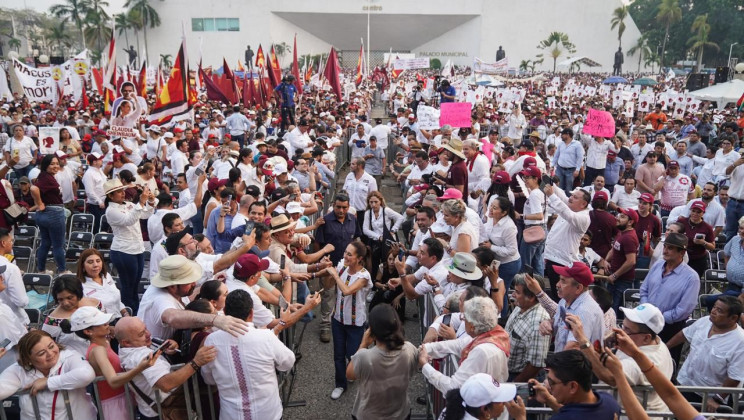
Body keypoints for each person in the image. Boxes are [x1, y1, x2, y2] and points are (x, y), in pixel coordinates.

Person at [201, 289, 296, 420]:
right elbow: (288, 362)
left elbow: (208, 378)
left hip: (231, 415)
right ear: (251, 313)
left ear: (224, 312)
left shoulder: (212, 340)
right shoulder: (266, 337)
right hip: (268, 414)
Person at [567, 303, 674, 415]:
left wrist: (582, 339)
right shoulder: (654, 340)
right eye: (622, 326)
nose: (621, 332)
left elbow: (609, 376)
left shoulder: (646, 361)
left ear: (646, 338)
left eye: (627, 329)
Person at [116, 316, 216, 420]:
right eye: (141, 334)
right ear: (126, 342)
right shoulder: (140, 355)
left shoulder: (126, 347)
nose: (148, 334)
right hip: (162, 413)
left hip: (153, 411)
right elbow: (166, 383)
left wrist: (166, 348)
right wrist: (196, 362)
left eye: (145, 328)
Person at [71, 306, 159, 420]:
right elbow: (113, 381)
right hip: (113, 405)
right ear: (88, 331)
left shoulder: (105, 343)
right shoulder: (98, 350)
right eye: (101, 323)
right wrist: (140, 368)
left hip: (123, 398)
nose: (106, 323)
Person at [138, 254, 250, 341]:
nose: (195, 283)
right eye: (189, 281)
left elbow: (187, 295)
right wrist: (215, 319)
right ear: (172, 286)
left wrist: (211, 285)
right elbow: (172, 317)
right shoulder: (160, 299)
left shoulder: (175, 290)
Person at [666, 296, 744, 411]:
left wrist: (717, 399)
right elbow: (684, 334)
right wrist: (665, 348)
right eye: (714, 307)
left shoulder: (740, 341)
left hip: (709, 398)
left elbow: (735, 376)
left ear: (733, 318)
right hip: (685, 384)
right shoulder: (704, 321)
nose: (713, 311)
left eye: (719, 311)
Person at [0, 330, 97, 420]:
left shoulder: (69, 356)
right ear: (29, 360)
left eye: (51, 346)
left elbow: (86, 375)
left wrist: (48, 382)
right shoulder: (19, 369)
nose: (50, 354)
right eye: (41, 353)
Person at [419, 296, 509, 393]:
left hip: (478, 404)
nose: (462, 320)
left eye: (464, 318)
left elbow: (453, 387)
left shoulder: (480, 352)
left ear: (471, 326)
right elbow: (457, 344)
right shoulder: (495, 334)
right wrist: (425, 348)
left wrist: (425, 366)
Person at [346, 304, 418, 420]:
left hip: (369, 415)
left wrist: (363, 344)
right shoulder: (409, 349)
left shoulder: (365, 356)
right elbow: (417, 363)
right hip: (400, 413)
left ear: (371, 330)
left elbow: (350, 374)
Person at [640, 232, 700, 364]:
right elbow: (644, 290)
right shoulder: (657, 265)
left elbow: (684, 310)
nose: (665, 250)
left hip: (670, 328)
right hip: (646, 321)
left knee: (665, 364)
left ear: (682, 252)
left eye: (670, 248)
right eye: (665, 246)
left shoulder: (691, 277)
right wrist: (646, 310)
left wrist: (657, 317)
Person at [326, 241, 373, 400]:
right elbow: (329, 285)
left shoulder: (364, 276)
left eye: (349, 254)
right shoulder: (341, 266)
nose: (345, 256)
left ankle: (352, 371)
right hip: (338, 319)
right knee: (338, 354)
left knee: (352, 354)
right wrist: (327, 272)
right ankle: (340, 384)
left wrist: (334, 274)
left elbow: (346, 291)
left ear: (359, 258)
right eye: (345, 252)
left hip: (355, 323)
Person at [314, 193, 362, 341]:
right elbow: (318, 242)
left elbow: (356, 239)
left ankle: (344, 321)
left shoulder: (353, 220)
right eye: (338, 207)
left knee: (347, 294)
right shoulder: (325, 221)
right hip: (330, 265)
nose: (341, 210)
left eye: (344, 207)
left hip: (349, 267)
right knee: (328, 295)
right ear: (333, 205)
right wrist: (319, 260)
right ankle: (325, 325)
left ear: (348, 207)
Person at [105, 178, 155, 313]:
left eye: (122, 190)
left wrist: (149, 201)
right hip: (123, 251)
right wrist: (141, 202)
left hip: (137, 249)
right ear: (110, 196)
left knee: (134, 285)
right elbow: (129, 220)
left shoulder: (128, 204)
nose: (122, 193)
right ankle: (129, 313)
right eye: (118, 192)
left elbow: (145, 214)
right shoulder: (110, 211)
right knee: (128, 285)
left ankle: (134, 311)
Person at [527, 350, 621, 419]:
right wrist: (548, 399)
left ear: (573, 386)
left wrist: (520, 417)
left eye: (552, 382)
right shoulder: (610, 403)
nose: (549, 387)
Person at [542, 184, 591, 302]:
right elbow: (563, 197)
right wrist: (551, 183)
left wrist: (551, 195)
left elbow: (566, 212)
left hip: (562, 262)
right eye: (572, 195)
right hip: (552, 258)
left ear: (583, 204)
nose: (571, 198)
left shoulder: (583, 218)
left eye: (575, 197)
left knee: (560, 299)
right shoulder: (573, 207)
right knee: (555, 296)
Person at [542, 262, 605, 352]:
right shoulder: (564, 301)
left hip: (574, 364)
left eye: (563, 281)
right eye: (559, 279)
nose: (557, 284)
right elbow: (556, 324)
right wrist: (548, 323)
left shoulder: (585, 311)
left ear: (578, 288)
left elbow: (573, 347)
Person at [504, 274, 551, 382]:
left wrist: (515, 384)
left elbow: (535, 365)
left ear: (531, 297)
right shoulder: (520, 306)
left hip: (521, 377)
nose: (513, 295)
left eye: (517, 292)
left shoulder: (538, 323)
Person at [42, 275, 102, 357]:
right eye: (60, 299)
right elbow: (45, 345)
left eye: (70, 297)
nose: (66, 303)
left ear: (78, 293)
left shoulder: (95, 304)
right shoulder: (52, 321)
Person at [482, 197, 521, 316]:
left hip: (508, 264)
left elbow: (512, 250)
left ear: (504, 212)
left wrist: (491, 247)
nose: (491, 209)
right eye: (491, 206)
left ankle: (502, 319)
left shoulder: (509, 227)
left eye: (495, 208)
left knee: (500, 291)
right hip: (496, 262)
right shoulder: (490, 218)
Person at [30, 154, 66, 274]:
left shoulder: (44, 176)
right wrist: (39, 203)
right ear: (45, 165)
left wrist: (40, 204)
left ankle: (41, 270)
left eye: (57, 163)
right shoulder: (47, 178)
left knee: (45, 242)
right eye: (52, 164)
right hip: (53, 213)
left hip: (44, 214)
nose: (56, 166)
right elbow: (33, 189)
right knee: (58, 245)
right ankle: (62, 271)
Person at [704, 215, 744, 311]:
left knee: (712, 301)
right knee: (722, 309)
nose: (742, 231)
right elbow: (726, 253)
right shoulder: (735, 240)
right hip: (731, 285)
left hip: (742, 291)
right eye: (741, 228)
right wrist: (728, 268)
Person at [362, 191, 404, 280]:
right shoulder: (368, 213)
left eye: (375, 202)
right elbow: (365, 229)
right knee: (374, 263)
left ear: (380, 201)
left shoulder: (386, 211)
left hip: (387, 241)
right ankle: (374, 283)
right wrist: (378, 236)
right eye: (371, 202)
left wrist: (393, 230)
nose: (373, 204)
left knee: (387, 262)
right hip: (375, 241)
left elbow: (400, 217)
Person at [604, 208, 639, 312]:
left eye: (622, 217)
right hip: (615, 279)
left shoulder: (629, 237)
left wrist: (615, 275)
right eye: (619, 215)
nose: (618, 218)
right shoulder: (621, 233)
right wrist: (606, 261)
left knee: (613, 311)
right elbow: (614, 249)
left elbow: (631, 261)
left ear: (630, 222)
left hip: (621, 281)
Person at [77, 248, 128, 319]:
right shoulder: (80, 285)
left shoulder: (107, 276)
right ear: (83, 266)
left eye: (98, 261)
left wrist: (126, 314)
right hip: (100, 325)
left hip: (119, 319)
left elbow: (118, 301)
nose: (95, 265)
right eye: (90, 262)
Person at [441, 373, 517, 420]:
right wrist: (520, 417)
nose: (504, 403)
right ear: (485, 409)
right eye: (500, 400)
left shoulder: (452, 410)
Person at [518, 166, 547, 275]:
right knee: (537, 262)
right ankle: (539, 288)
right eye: (524, 177)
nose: (525, 180)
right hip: (541, 228)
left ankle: (525, 287)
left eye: (527, 177)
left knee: (525, 263)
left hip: (533, 229)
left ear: (536, 179)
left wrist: (521, 216)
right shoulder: (540, 191)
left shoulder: (535, 194)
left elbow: (539, 215)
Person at [676, 201, 715, 276]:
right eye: (693, 211)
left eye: (698, 212)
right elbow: (673, 234)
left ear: (703, 213)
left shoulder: (707, 227)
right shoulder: (682, 222)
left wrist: (703, 242)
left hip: (697, 259)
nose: (695, 214)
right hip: (681, 256)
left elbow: (713, 246)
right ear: (690, 211)